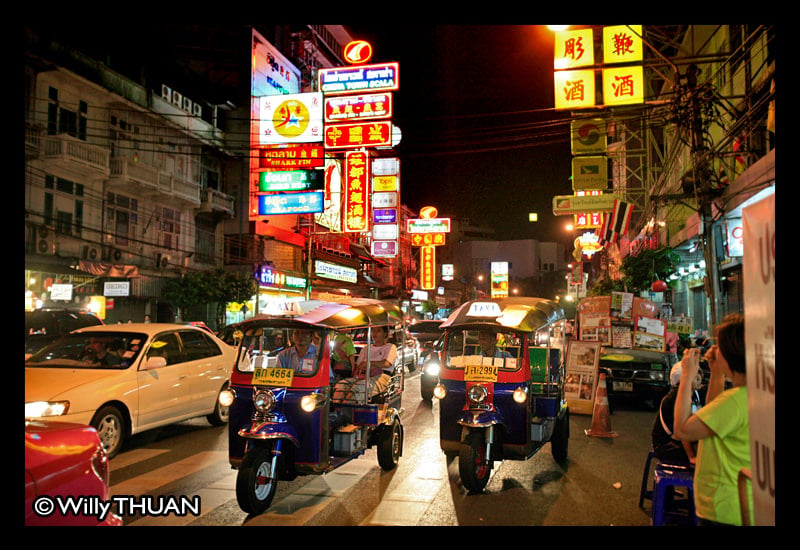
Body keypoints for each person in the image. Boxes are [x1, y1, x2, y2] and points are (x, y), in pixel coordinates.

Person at [673, 313, 752, 526]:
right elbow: (713, 418)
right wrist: (716, 373)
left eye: (719, 347)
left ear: (731, 353)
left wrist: (687, 376)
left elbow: (681, 430)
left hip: (725, 508)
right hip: (737, 505)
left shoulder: (735, 400)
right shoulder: (748, 395)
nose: (714, 351)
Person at [651, 358, 703, 466]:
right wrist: (692, 456)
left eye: (698, 374)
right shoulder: (677, 397)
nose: (699, 378)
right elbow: (683, 429)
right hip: (666, 445)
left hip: (679, 440)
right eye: (694, 376)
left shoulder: (694, 393)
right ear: (684, 380)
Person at [333, 325, 397, 402]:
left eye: (378, 331)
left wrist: (369, 363)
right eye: (373, 330)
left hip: (382, 377)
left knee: (359, 387)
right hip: (364, 376)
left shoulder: (390, 347)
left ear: (385, 334)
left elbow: (387, 363)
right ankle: (336, 408)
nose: (375, 333)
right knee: (341, 385)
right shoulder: (366, 349)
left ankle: (344, 409)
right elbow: (359, 365)